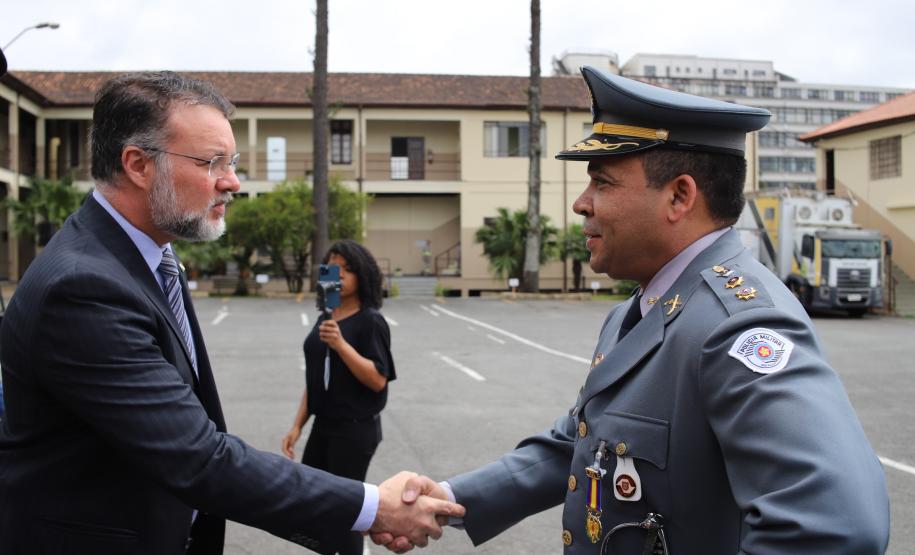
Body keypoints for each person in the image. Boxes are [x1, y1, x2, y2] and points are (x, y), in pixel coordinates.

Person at [378, 67, 890, 554]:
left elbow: (835, 525)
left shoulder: (737, 325)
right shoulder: (640, 310)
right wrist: (447, 499)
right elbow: (578, 443)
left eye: (602, 183)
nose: (581, 203)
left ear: (679, 196)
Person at [0, 71, 462, 555]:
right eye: (211, 162)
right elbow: (196, 457)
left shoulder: (146, 258)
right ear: (138, 164)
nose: (232, 182)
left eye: (233, 162)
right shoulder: (83, 287)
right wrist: (373, 508)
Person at [282, 239, 396, 555]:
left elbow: (378, 380)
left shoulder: (370, 320)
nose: (340, 274)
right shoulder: (326, 317)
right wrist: (297, 425)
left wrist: (341, 345)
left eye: (348, 268)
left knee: (346, 511)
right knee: (312, 501)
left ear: (363, 274)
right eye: (333, 267)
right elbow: (317, 379)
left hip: (354, 430)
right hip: (324, 425)